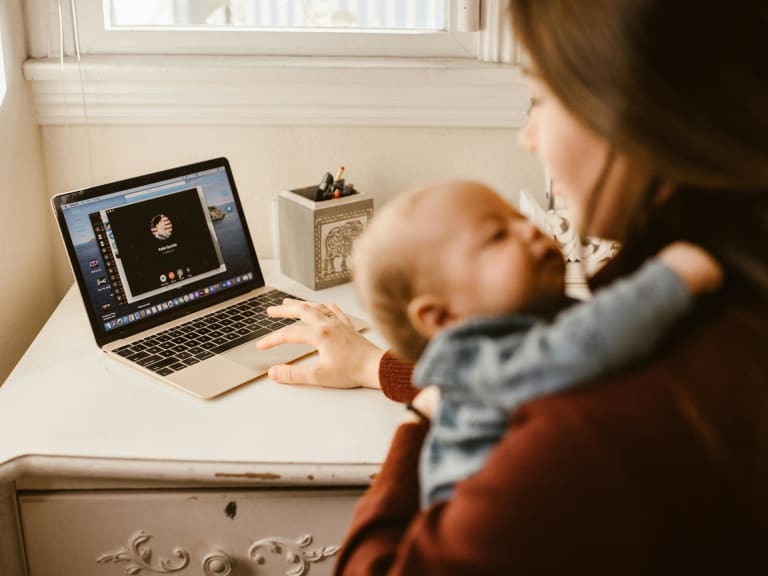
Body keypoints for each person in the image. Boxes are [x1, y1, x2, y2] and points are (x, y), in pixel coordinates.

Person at [257, 1, 768, 573]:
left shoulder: (585, 436)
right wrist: (380, 368)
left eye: (541, 100)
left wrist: (421, 424)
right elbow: (547, 353)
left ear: (637, 114)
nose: (528, 136)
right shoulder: (707, 274)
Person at [353, 179, 722, 508]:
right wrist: (670, 280)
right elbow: (578, 347)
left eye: (521, 218)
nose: (529, 230)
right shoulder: (479, 358)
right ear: (443, 318)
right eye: (497, 235)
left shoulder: (524, 332)